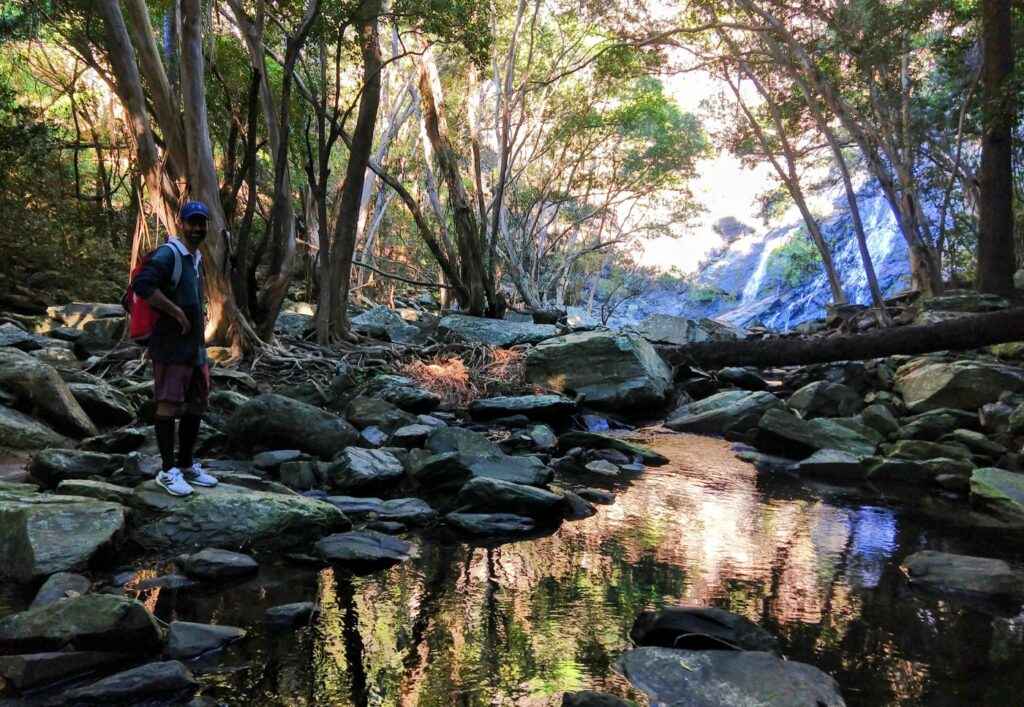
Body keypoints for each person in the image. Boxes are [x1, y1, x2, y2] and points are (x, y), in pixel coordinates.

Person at [131, 201, 219, 496]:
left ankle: (186, 464)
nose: (197, 228)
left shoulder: (194, 258)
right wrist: (175, 311)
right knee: (168, 403)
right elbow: (143, 284)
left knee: (197, 401)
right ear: (180, 223)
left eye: (201, 223)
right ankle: (168, 471)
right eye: (192, 223)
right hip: (170, 343)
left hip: (194, 345)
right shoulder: (170, 254)